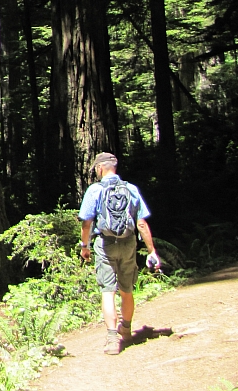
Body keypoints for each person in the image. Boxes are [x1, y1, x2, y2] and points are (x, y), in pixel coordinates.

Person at [78, 152, 161, 355]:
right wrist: (152, 251)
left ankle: (112, 339)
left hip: (105, 244)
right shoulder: (131, 189)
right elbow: (141, 222)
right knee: (127, 290)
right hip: (128, 243)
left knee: (108, 291)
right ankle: (127, 329)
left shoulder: (95, 190)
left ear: (99, 168)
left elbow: (86, 222)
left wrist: (84, 246)